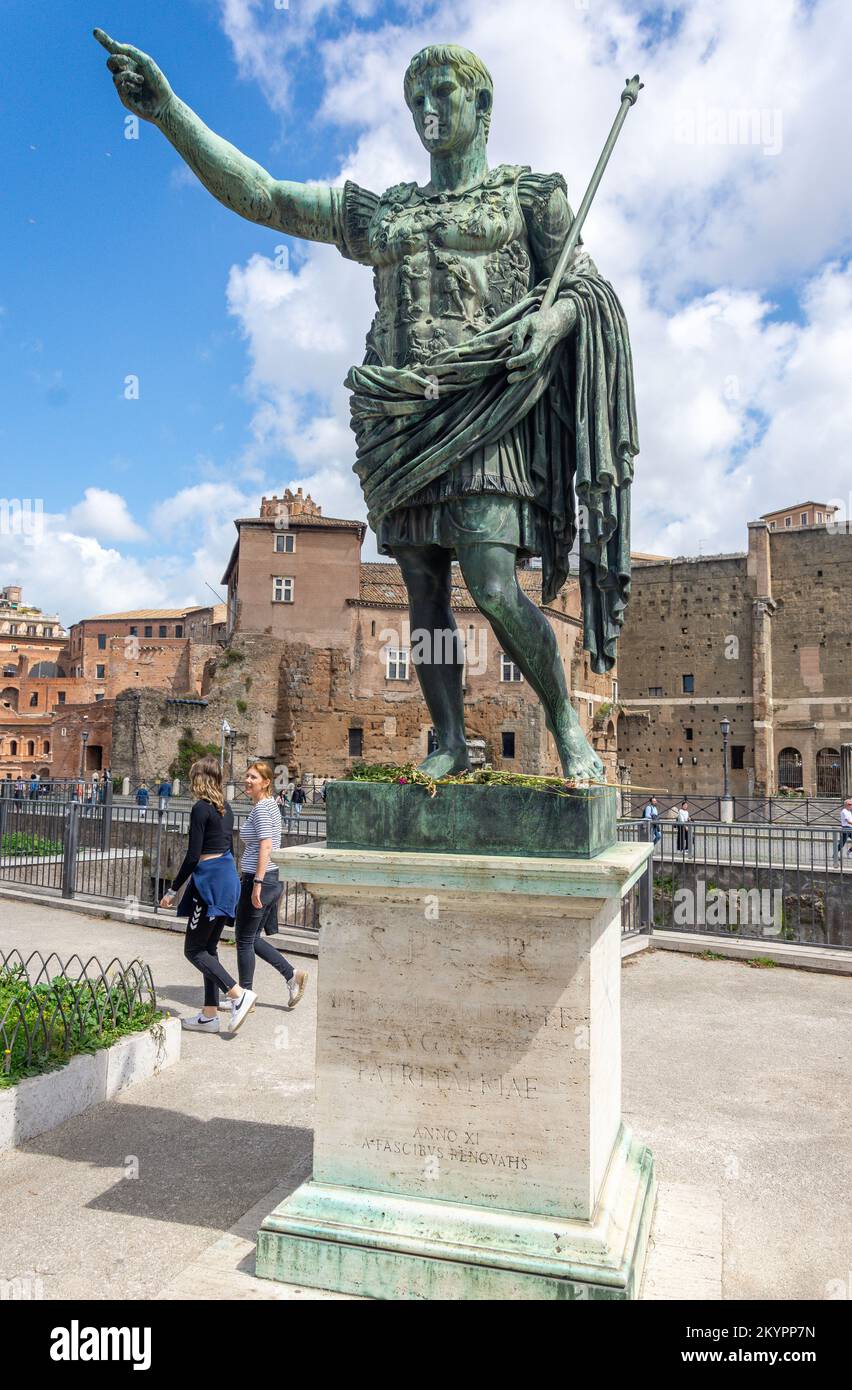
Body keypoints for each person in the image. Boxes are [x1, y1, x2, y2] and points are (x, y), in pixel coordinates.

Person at [95, 34, 639, 784]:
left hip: (487, 413)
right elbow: (265, 196)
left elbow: (585, 287)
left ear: (481, 103)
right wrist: (168, 114)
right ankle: (449, 739)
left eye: (442, 92)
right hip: (399, 421)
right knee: (423, 589)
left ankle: (567, 726)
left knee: (489, 579)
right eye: (416, 98)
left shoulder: (528, 198)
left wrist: (552, 323)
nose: (427, 108)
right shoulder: (385, 214)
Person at [159, 756, 254, 1034]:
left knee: (194, 950)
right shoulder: (227, 808)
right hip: (227, 878)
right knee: (209, 949)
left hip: (210, 883)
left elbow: (192, 856)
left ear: (198, 779)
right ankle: (209, 1015)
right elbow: (229, 848)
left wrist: (172, 890)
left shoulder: (201, 808)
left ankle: (237, 994)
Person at [234, 761, 306, 1009]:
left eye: (253, 777)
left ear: (265, 782)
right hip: (270, 878)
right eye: (247, 776)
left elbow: (266, 845)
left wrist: (257, 882)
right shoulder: (269, 806)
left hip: (260, 880)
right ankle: (291, 975)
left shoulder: (263, 809)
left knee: (244, 939)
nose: (247, 781)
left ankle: (245, 996)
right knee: (251, 937)